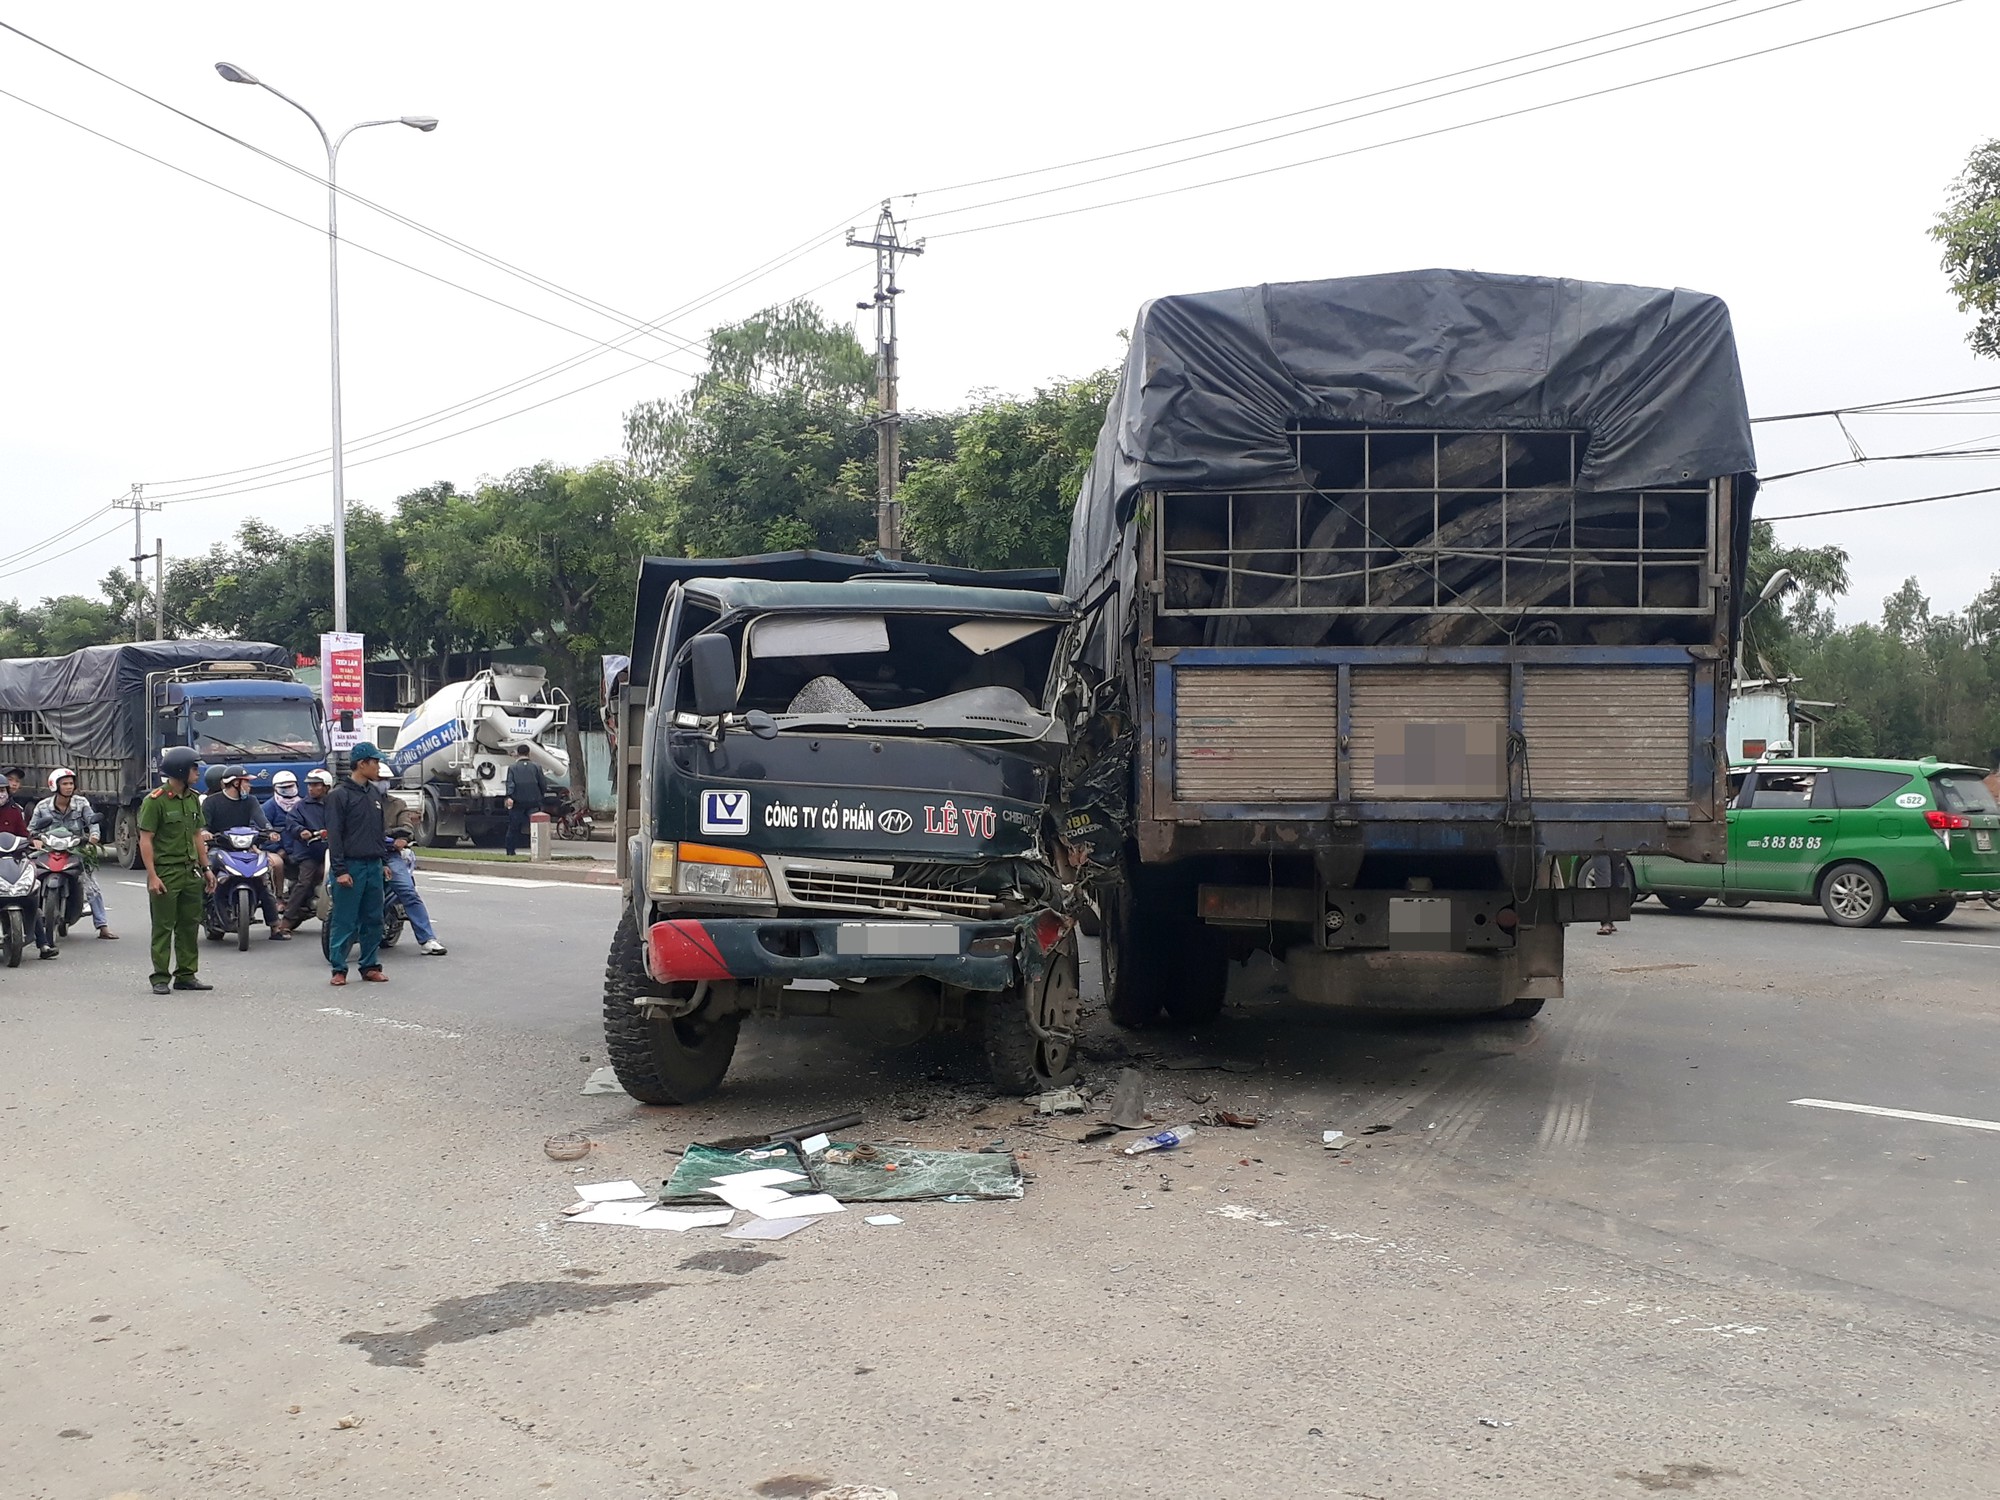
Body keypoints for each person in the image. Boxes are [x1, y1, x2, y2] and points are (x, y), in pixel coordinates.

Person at [139, 746, 213, 995]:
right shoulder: (155, 801)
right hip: (166, 872)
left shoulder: (192, 798)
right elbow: (146, 839)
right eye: (194, 767)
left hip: (190, 871)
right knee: (163, 926)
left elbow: (197, 835)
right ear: (180, 770)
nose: (198, 772)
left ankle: (186, 974)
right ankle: (160, 977)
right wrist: (152, 876)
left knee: (189, 925)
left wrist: (206, 868)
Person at [28, 768, 116, 950]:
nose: (69, 787)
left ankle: (102, 926)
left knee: (91, 884)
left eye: (71, 783)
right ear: (55, 786)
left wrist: (93, 837)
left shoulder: (81, 803)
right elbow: (31, 829)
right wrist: (35, 839)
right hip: (49, 849)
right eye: (65, 784)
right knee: (30, 880)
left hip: (75, 849)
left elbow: (92, 822)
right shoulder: (42, 806)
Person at [326, 743, 390, 986]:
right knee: (345, 919)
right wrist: (340, 870)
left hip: (373, 865)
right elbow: (334, 835)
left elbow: (379, 832)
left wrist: (384, 861)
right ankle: (339, 968)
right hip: (350, 866)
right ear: (362, 764)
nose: (378, 767)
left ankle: (370, 965)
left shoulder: (374, 794)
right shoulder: (339, 795)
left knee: (374, 918)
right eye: (375, 762)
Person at [201, 767, 286, 940]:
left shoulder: (251, 801)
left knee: (263, 880)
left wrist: (270, 832)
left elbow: (261, 819)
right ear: (235, 783)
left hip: (246, 848)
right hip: (219, 848)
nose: (249, 785)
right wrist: (205, 832)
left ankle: (275, 927)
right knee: (209, 871)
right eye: (246, 782)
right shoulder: (211, 802)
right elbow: (203, 825)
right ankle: (205, 910)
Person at [383, 798, 447, 955]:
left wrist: (402, 838)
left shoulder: (396, 804)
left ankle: (427, 939)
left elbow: (406, 826)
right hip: (359, 854)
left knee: (407, 891)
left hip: (388, 853)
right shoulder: (352, 799)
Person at [274, 769, 333, 937]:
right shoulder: (301, 806)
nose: (311, 788)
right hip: (309, 852)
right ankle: (286, 921)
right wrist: (301, 831)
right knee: (304, 881)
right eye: (309, 785)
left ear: (326, 787)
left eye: (316, 785)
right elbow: (291, 823)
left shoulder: (336, 804)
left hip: (333, 851)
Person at [262, 771, 303, 904]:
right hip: (276, 850)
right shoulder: (269, 807)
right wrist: (277, 848)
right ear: (276, 788)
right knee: (277, 864)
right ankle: (278, 897)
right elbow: (261, 831)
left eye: (291, 786)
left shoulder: (303, 805)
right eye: (284, 787)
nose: (288, 789)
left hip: (300, 848)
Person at [503, 744, 549, 857]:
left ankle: (510, 851)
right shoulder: (536, 767)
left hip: (518, 802)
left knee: (513, 828)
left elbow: (510, 784)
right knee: (536, 827)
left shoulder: (512, 768)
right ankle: (539, 851)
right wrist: (540, 795)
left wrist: (509, 796)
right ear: (529, 753)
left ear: (517, 754)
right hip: (534, 801)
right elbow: (542, 784)